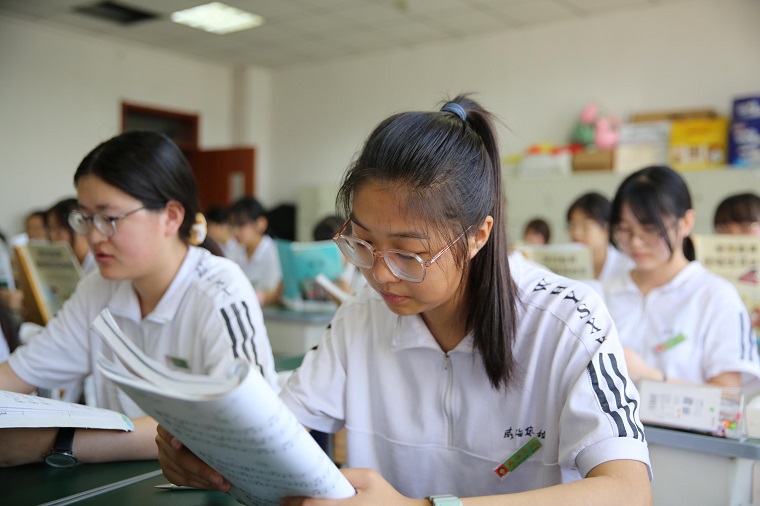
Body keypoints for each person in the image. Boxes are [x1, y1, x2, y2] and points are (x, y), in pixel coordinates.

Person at [157, 96, 651, 504]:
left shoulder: (566, 320)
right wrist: (216, 454)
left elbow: (629, 491)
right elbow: (286, 428)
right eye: (362, 242)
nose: (378, 273)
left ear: (478, 236)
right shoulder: (363, 314)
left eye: (408, 253)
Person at [0, 130, 278, 467]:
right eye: (86, 219)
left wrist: (58, 443)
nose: (94, 237)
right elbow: (18, 374)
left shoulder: (220, 291)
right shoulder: (98, 288)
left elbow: (245, 423)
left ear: (171, 217)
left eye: (108, 219)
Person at [602, 166, 760, 387]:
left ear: (686, 223)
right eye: (625, 230)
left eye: (650, 229)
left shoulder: (715, 297)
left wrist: (651, 377)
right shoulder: (603, 293)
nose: (636, 242)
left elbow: (727, 398)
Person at [227, 196, 282, 306]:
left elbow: (276, 293)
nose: (236, 231)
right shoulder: (234, 250)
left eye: (241, 225)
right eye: (233, 225)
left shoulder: (275, 252)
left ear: (261, 224)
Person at [567, 192, 634, 280]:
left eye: (585, 226)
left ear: (607, 228)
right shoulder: (566, 267)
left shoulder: (628, 268)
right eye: (572, 226)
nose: (576, 233)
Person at [47, 197, 97, 274]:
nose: (52, 236)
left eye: (58, 228)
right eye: (50, 229)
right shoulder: (66, 265)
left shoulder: (97, 267)